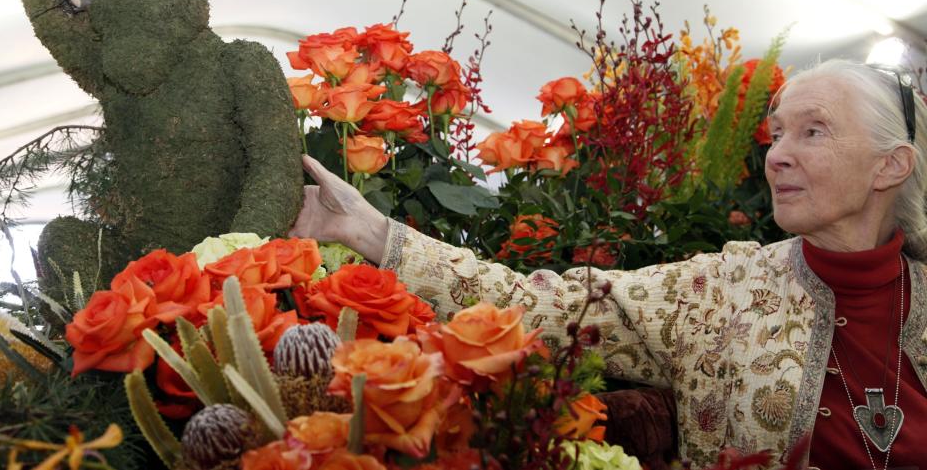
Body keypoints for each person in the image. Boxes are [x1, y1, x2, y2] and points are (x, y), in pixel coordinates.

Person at [289, 59, 927, 469]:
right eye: (776, 133)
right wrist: (369, 228)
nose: (777, 156)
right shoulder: (719, 290)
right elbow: (543, 305)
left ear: (889, 165)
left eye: (812, 131)